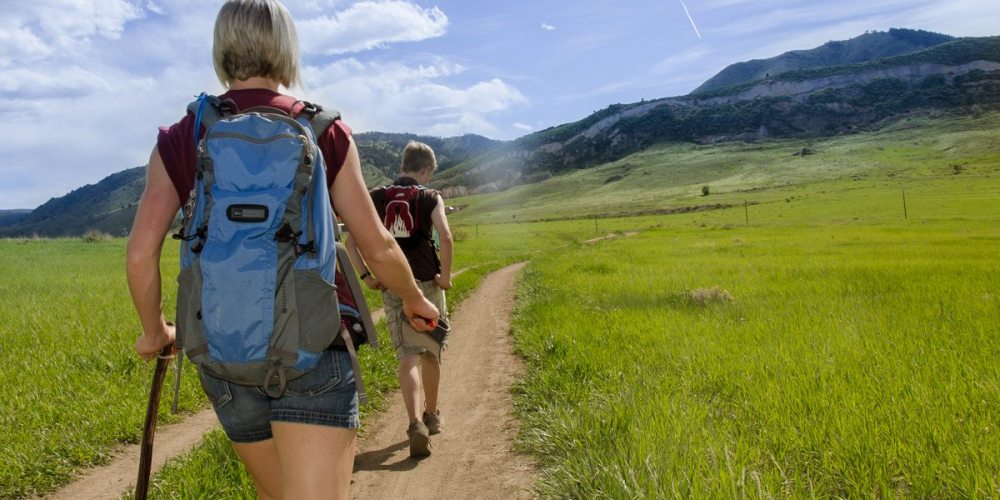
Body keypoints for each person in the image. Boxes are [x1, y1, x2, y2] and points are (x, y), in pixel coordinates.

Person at [125, 1, 439, 498]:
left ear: (221, 49)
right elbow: (376, 245)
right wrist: (416, 299)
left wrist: (153, 331)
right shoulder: (323, 132)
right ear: (286, 49)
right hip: (312, 348)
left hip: (224, 352)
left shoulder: (184, 136)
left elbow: (141, 255)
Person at [347, 141, 454, 458]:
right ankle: (431, 416)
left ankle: (413, 424)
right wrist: (445, 277)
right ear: (424, 170)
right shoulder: (429, 197)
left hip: (394, 287)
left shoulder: (378, 196)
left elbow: (352, 241)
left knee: (407, 356)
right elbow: (445, 237)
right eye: (429, 174)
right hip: (427, 287)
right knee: (431, 352)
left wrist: (367, 276)